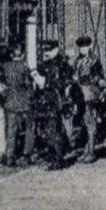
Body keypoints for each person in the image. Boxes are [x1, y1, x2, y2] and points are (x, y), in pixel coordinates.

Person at [30, 40, 73, 168]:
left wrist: (46, 82)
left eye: (49, 50)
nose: (46, 53)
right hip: (46, 101)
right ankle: (56, 155)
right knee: (49, 130)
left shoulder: (63, 65)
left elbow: (65, 83)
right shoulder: (44, 65)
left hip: (56, 101)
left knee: (53, 130)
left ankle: (57, 160)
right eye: (45, 50)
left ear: (56, 50)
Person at [72, 34, 106, 162]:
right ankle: (87, 150)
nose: (83, 49)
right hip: (80, 95)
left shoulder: (94, 60)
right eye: (81, 47)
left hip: (91, 94)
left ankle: (91, 152)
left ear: (90, 47)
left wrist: (89, 80)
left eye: (85, 46)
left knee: (90, 123)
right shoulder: (76, 61)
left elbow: (100, 76)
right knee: (84, 123)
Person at [0, 41, 33, 165]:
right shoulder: (24, 67)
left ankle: (9, 157)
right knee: (29, 129)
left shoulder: (5, 67)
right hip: (24, 103)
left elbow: (2, 86)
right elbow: (28, 85)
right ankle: (26, 155)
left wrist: (6, 97)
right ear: (22, 55)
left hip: (10, 103)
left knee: (11, 131)